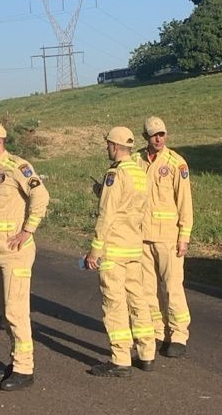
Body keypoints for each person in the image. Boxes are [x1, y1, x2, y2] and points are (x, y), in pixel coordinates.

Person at [0, 120, 49, 391]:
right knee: (4, 313)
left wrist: (28, 230)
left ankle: (25, 369)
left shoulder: (18, 166)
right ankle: (15, 362)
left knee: (16, 312)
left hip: (16, 252)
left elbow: (41, 197)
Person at [84, 126, 156, 377]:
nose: (107, 149)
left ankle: (120, 359)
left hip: (113, 249)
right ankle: (147, 353)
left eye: (108, 145)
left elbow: (107, 214)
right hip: (134, 246)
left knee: (114, 304)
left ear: (114, 146)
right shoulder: (139, 173)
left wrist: (94, 250)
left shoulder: (114, 174)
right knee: (138, 300)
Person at [135, 116, 194, 358]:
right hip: (141, 236)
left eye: (162, 134)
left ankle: (179, 334)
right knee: (147, 289)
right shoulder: (135, 160)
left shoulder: (176, 163)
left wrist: (184, 236)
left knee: (172, 287)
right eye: (153, 135)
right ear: (145, 137)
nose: (159, 139)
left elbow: (185, 202)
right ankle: (157, 330)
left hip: (169, 237)